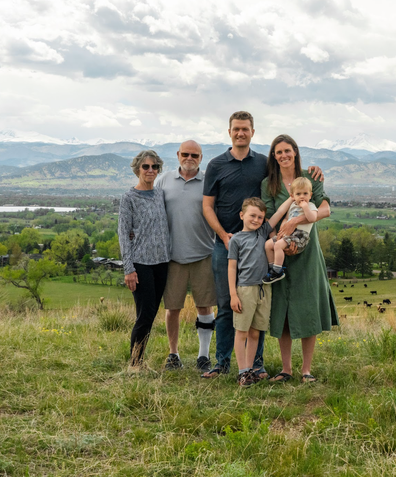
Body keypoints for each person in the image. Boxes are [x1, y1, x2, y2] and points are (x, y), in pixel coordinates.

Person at [202, 111, 324, 379]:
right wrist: (224, 235)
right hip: (230, 243)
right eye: (236, 129)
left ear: (253, 132)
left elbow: (305, 196)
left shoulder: (264, 166)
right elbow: (207, 205)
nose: (240, 133)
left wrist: (312, 175)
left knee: (259, 305)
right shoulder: (217, 165)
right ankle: (223, 363)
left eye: (245, 129)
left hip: (263, 244)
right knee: (227, 305)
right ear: (229, 131)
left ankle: (255, 366)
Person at [261, 134, 338, 384]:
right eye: (278, 152)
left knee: (308, 306)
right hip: (281, 255)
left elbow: (324, 209)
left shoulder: (310, 178)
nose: (284, 155)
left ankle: (306, 370)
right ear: (274, 156)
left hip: (307, 252)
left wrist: (295, 221)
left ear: (295, 152)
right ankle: (286, 369)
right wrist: (278, 241)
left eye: (288, 151)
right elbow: (269, 217)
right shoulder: (268, 184)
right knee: (282, 308)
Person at [155, 140, 217, 371]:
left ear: (201, 158)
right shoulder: (164, 180)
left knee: (205, 306)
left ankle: (203, 355)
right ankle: (174, 354)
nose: (189, 158)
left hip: (204, 253)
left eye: (195, 155)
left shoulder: (209, 182)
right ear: (178, 155)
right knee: (172, 308)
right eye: (185, 154)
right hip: (171, 256)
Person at [229, 197, 292, 386]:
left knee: (255, 333)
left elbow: (280, 213)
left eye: (260, 217)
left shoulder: (264, 231)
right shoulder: (236, 240)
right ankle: (242, 372)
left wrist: (292, 196)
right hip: (245, 289)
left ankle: (250, 370)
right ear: (242, 215)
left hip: (264, 289)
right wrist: (233, 294)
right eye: (252, 216)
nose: (256, 220)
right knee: (241, 331)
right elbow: (232, 268)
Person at [118, 150, 170, 371]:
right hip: (141, 264)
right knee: (145, 314)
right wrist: (128, 268)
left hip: (162, 262)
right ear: (137, 169)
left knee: (151, 313)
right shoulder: (129, 198)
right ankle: (135, 363)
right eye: (146, 167)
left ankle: (138, 360)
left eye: (154, 167)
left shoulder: (160, 194)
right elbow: (123, 233)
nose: (150, 171)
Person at [263, 177, 318, 284]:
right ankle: (273, 268)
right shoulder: (292, 205)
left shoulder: (311, 206)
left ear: (310, 195)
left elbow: (312, 218)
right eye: (298, 194)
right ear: (292, 196)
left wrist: (305, 207)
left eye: (305, 194)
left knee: (278, 245)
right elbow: (287, 219)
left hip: (300, 236)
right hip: (289, 234)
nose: (302, 197)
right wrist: (282, 231)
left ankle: (277, 271)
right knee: (268, 245)